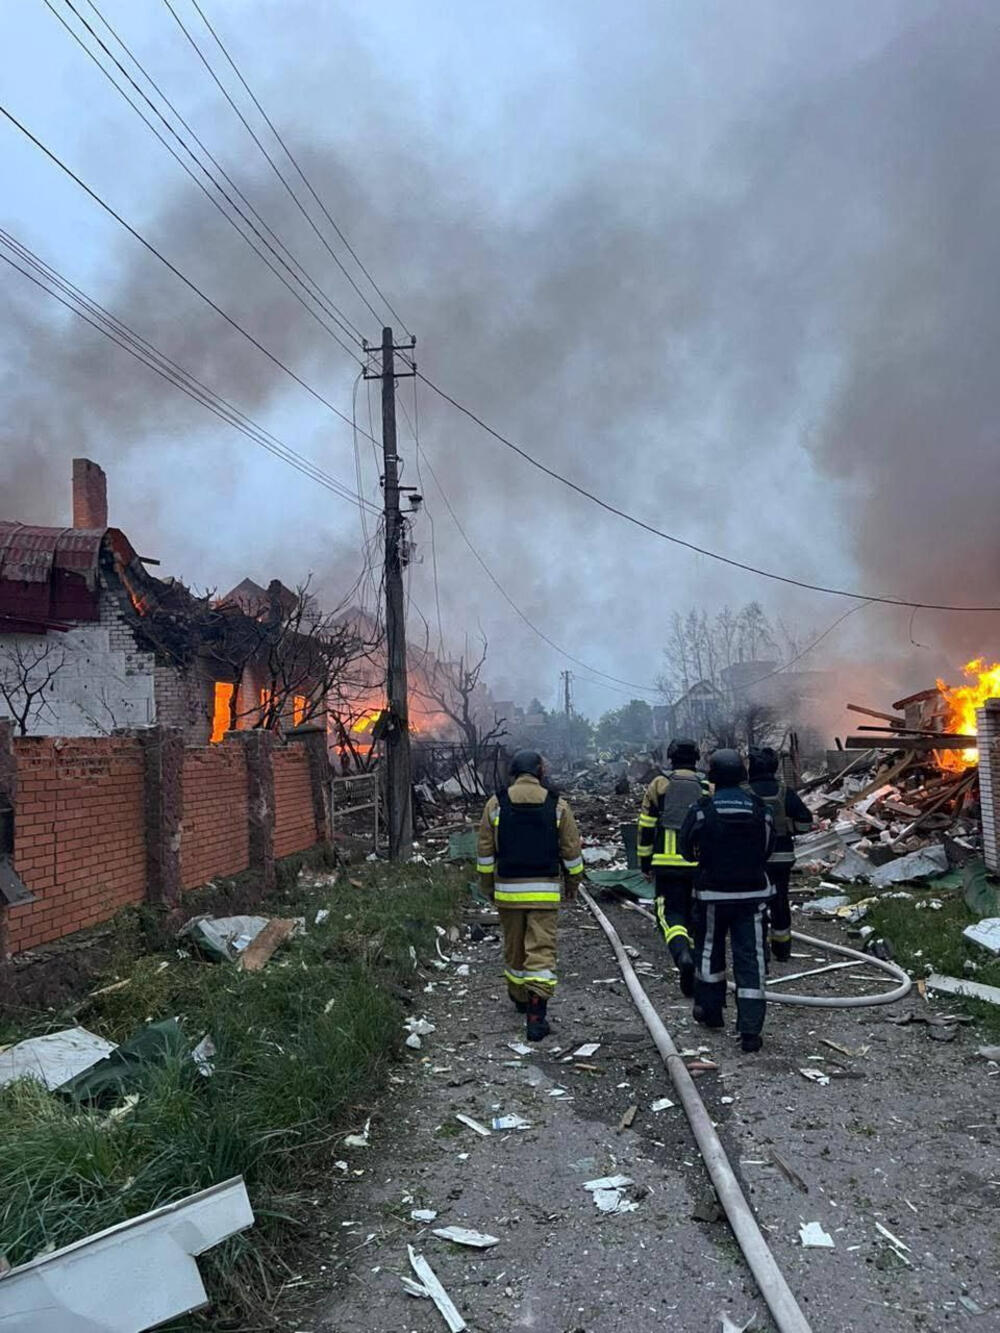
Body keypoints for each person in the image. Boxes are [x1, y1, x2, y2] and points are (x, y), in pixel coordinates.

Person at [477, 750, 584, 1041]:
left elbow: (485, 851)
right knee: (541, 949)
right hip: (544, 891)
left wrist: (487, 886)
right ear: (540, 772)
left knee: (515, 949)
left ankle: (519, 997)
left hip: (508, 891)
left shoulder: (496, 803)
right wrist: (573, 882)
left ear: (513, 772)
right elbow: (571, 850)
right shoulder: (556, 805)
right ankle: (537, 1015)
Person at [678, 748, 774, 1053]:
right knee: (752, 958)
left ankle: (711, 1011)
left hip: (712, 895)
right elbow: (768, 848)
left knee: (709, 952)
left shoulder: (702, 809)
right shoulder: (760, 808)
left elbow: (684, 847)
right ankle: (750, 1030)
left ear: (713, 776)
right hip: (753, 896)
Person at [636, 738, 710, 996]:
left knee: (670, 914)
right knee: (695, 915)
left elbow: (646, 826)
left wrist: (645, 862)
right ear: (697, 757)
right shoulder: (706, 787)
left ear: (671, 757)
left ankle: (682, 956)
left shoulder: (659, 784)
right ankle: (697, 962)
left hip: (667, 865)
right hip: (700, 865)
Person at [746, 747, 814, 961]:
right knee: (780, 900)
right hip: (782, 857)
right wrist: (786, 828)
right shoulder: (785, 792)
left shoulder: (745, 793)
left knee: (754, 902)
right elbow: (805, 823)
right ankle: (782, 949)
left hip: (754, 860)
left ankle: (760, 948)